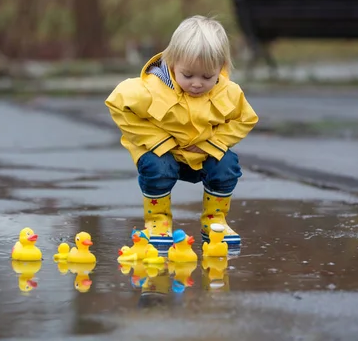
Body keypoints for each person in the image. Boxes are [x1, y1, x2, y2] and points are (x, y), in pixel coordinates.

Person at [105, 15, 258, 249]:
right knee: (158, 169)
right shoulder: (149, 89)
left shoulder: (228, 92)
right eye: (188, 75)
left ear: (222, 67)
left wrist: (213, 143)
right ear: (172, 62)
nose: (197, 84)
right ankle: (158, 222)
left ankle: (214, 221)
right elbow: (117, 104)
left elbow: (246, 118)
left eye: (207, 77)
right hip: (163, 152)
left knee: (227, 165)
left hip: (202, 152)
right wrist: (158, 141)